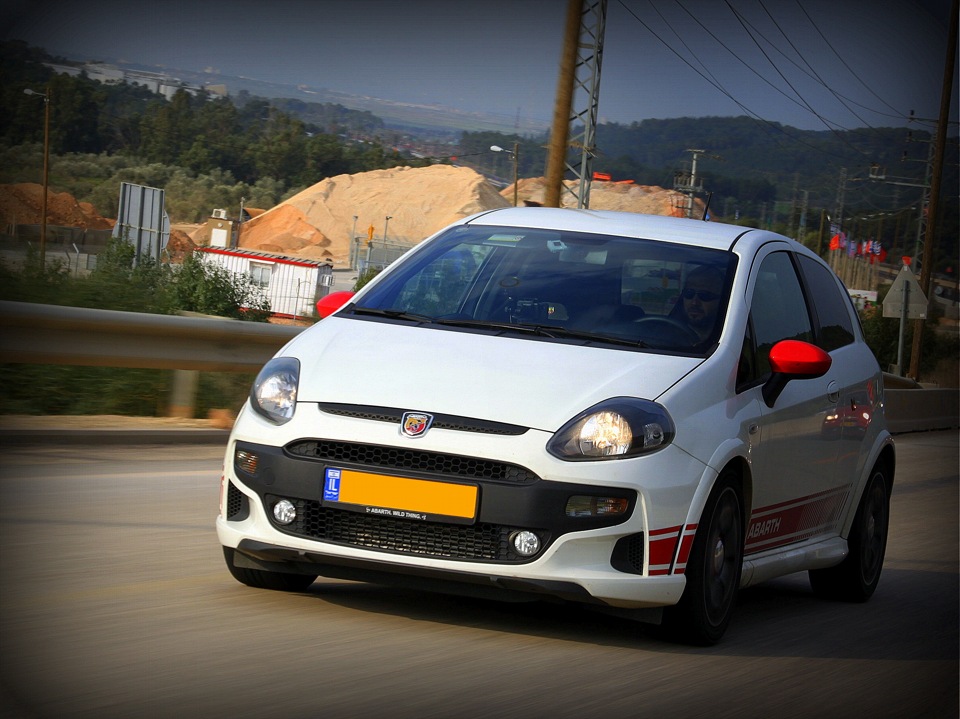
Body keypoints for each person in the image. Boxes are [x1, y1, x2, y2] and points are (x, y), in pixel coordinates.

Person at [678, 265, 724, 341]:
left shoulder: (731, 339)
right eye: (689, 293)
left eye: (705, 295)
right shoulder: (667, 335)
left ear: (721, 301)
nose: (694, 302)